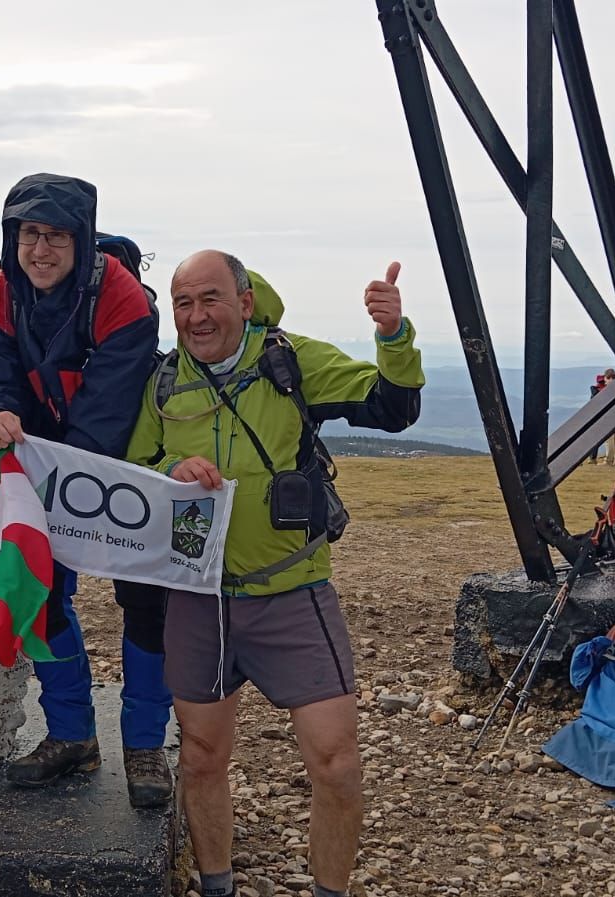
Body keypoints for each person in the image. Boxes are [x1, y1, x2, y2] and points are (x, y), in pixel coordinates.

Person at [126, 251, 424, 897]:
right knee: (201, 756)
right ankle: (217, 885)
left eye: (210, 299)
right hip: (199, 596)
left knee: (337, 762)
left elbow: (392, 406)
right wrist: (171, 471)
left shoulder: (289, 359)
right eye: (184, 304)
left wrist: (393, 334)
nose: (197, 316)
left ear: (245, 302)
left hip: (292, 591)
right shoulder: (165, 381)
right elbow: (136, 468)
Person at [0, 173, 173, 807]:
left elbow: (108, 411)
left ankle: (145, 746)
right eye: (29, 234)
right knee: (41, 594)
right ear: (12, 238)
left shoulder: (122, 298)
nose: (41, 250)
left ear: (82, 240)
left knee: (145, 602)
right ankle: (71, 735)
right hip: (44, 464)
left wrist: (63, 490)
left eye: (57, 236)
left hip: (124, 466)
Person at [600, 368, 615, 465]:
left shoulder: (610, 389)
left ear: (609, 378)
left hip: (610, 416)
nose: (605, 381)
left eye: (605, 379)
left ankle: (608, 460)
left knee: (609, 439)